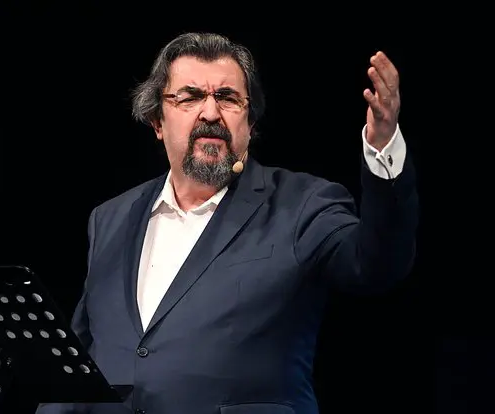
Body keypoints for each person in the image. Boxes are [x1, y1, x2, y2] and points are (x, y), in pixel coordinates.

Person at [36, 32, 418, 414]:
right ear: (157, 121)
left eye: (228, 98)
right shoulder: (111, 218)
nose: (210, 113)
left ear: (249, 122)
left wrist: (383, 149)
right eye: (189, 97)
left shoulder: (302, 204)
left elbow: (376, 264)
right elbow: (80, 363)